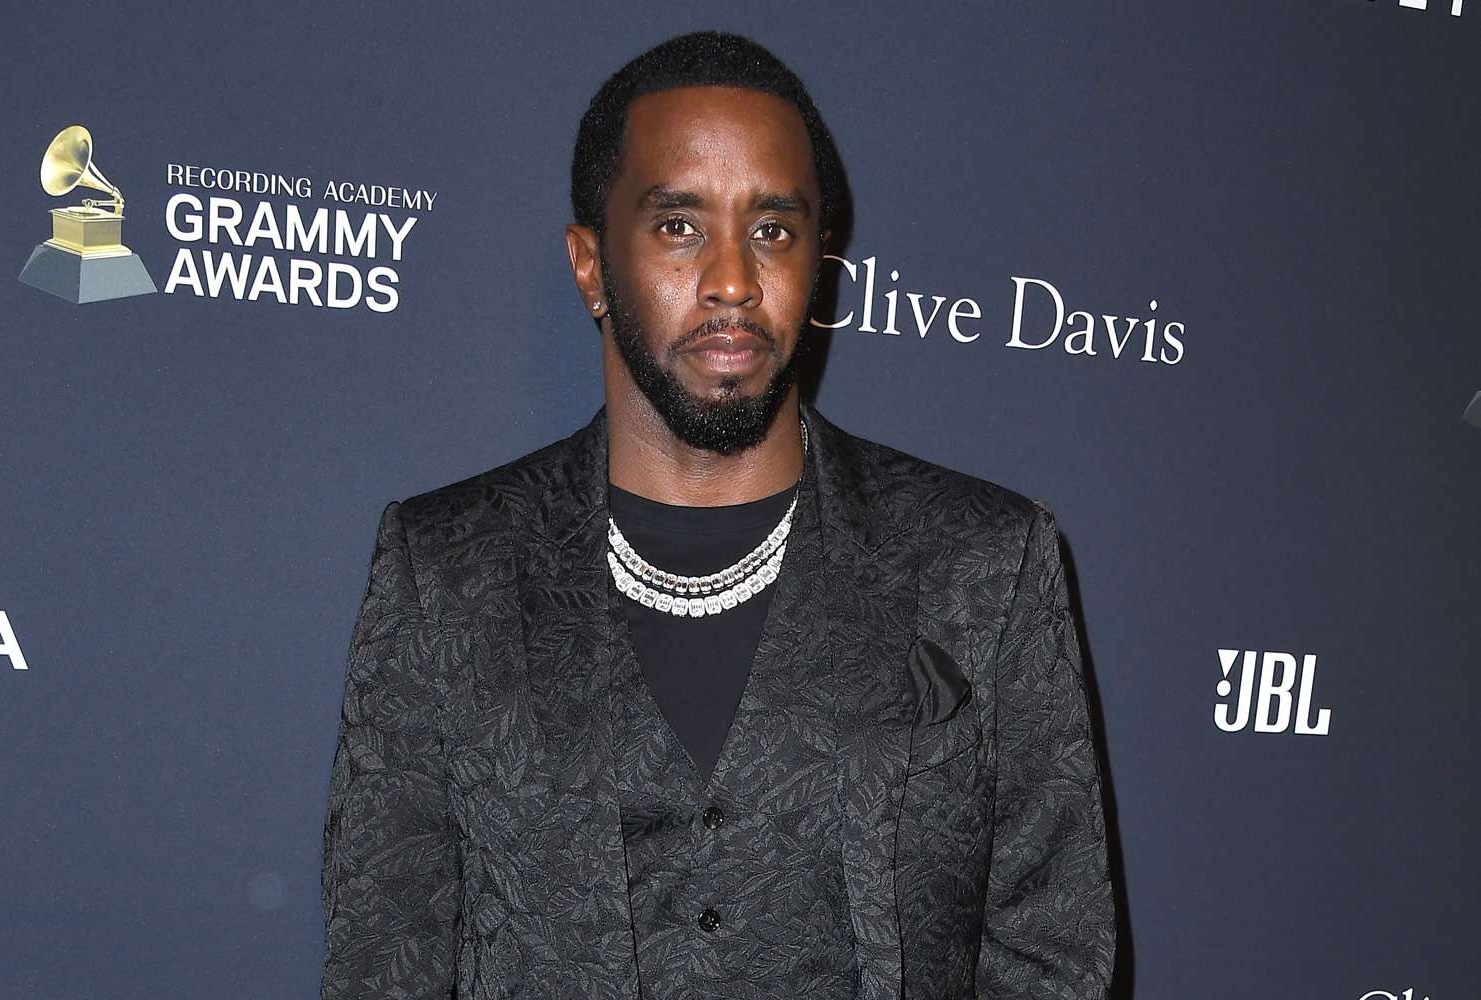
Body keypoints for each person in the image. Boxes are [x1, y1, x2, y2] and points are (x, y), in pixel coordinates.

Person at [320, 30, 1115, 1000]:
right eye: (680, 226)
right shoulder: (446, 566)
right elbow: (385, 957)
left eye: (773, 229)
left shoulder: (984, 560)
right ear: (589, 264)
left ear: (817, 261)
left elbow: (1055, 958)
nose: (734, 278)